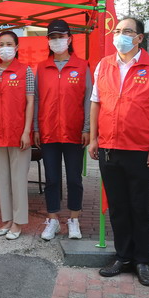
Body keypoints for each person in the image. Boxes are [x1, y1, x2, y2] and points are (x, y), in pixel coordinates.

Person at [88, 17, 149, 287]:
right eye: (117, 30)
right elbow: (96, 103)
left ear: (139, 38)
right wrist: (93, 138)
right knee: (118, 207)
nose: (120, 35)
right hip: (109, 148)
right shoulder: (104, 65)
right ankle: (122, 257)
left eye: (127, 31)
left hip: (140, 150)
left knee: (140, 207)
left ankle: (142, 261)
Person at [33, 19, 91, 241]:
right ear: (48, 41)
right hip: (48, 132)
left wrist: (87, 127)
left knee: (74, 179)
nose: (57, 41)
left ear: (69, 39)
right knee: (52, 179)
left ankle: (74, 220)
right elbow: (36, 99)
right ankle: (53, 220)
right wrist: (36, 128)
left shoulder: (82, 66)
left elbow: (88, 99)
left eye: (61, 36)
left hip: (74, 132)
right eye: (53, 37)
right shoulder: (42, 67)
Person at [0, 30, 34, 240]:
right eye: (1, 44)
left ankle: (18, 223)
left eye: (9, 44)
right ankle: (6, 220)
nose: (5, 48)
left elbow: (30, 101)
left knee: (18, 179)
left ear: (17, 47)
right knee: (2, 179)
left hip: (18, 132)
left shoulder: (25, 71)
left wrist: (27, 131)